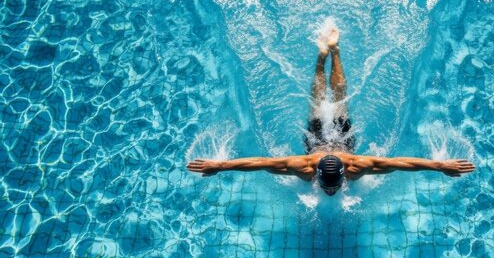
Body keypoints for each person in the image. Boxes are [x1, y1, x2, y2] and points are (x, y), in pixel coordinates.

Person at [187, 27, 475, 195]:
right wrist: (219, 166)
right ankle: (329, 53)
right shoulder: (335, 166)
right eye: (330, 186)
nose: (330, 191)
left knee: (329, 98)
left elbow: (260, 162)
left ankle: (328, 53)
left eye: (331, 186)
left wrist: (441, 166)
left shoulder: (333, 166)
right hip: (336, 137)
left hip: (321, 138)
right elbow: (259, 162)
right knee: (332, 98)